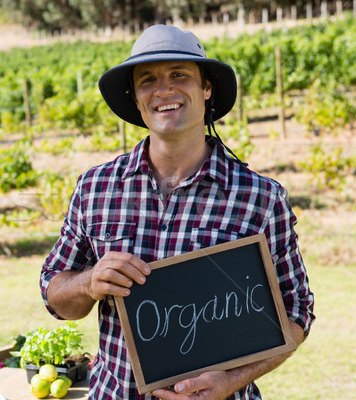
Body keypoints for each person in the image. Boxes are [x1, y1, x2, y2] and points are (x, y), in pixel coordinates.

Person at [40, 24, 315, 399]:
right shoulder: (95, 188)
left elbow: (296, 310)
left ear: (206, 89)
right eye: (148, 79)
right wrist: (88, 282)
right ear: (136, 100)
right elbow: (56, 296)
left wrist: (232, 380)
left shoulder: (260, 197)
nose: (164, 89)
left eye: (179, 75)